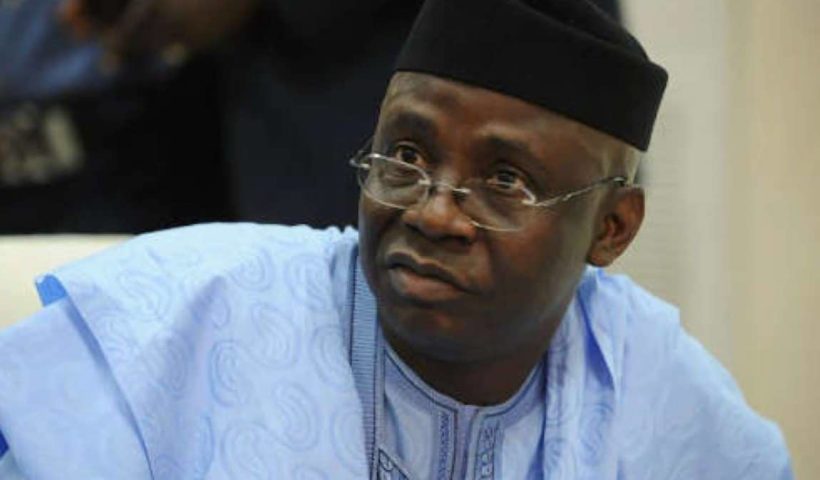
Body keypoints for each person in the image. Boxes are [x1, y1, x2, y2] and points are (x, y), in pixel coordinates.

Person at [0, 0, 792, 478]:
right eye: (406, 157)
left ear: (612, 230)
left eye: (505, 180)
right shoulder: (177, 324)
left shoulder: (662, 396)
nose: (434, 213)